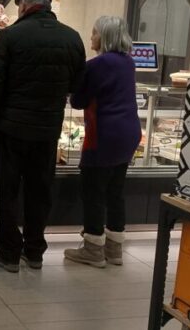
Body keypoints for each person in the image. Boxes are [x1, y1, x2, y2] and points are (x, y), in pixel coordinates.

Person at [0, 0, 86, 273]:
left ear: (24, 5)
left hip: (11, 129)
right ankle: (35, 252)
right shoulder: (72, 37)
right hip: (48, 129)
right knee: (40, 191)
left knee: (8, 192)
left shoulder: (10, 36)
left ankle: (9, 254)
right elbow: (77, 85)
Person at [64, 16, 141, 268]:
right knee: (115, 192)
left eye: (95, 33)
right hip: (129, 132)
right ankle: (114, 249)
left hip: (104, 134)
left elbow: (78, 101)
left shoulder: (97, 64)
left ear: (105, 36)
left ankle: (93, 249)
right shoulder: (128, 62)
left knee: (93, 192)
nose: (91, 37)